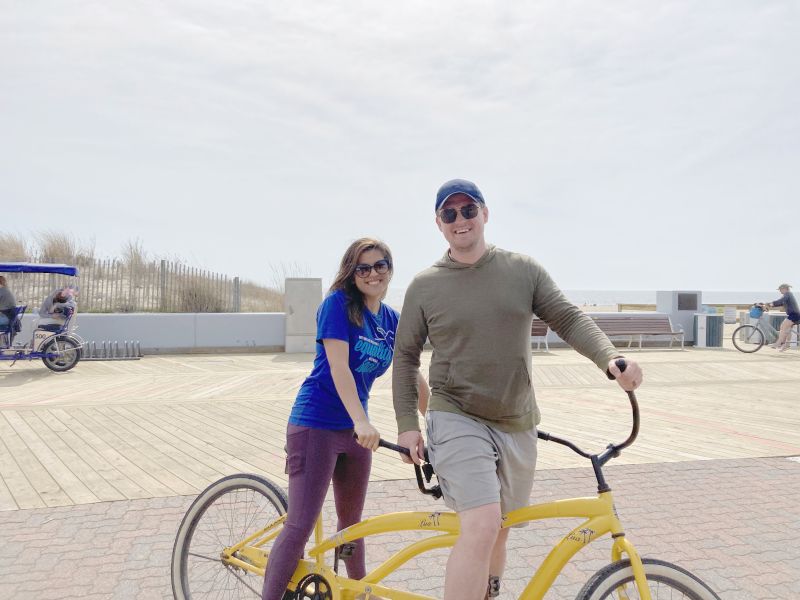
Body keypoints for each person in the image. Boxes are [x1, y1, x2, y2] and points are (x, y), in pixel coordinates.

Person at [392, 179, 643, 600]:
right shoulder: (425, 285)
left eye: (468, 210)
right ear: (438, 224)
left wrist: (609, 358)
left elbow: (567, 317)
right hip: (456, 413)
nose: (460, 220)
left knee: (501, 529)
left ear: (484, 214)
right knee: (482, 522)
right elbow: (405, 358)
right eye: (449, 214)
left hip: (517, 420)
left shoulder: (522, 270)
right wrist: (406, 424)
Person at [261, 238, 430, 600]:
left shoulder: (391, 320)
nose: (372, 274)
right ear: (352, 274)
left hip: (356, 431)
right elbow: (340, 369)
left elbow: (412, 375)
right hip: (316, 425)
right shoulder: (337, 306)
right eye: (363, 268)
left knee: (351, 526)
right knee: (300, 524)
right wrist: (361, 422)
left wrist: (437, 426)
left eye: (380, 265)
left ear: (390, 269)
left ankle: (357, 593)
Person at [765, 283, 799, 352]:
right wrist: (770, 304)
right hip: (795, 314)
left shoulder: (788, 294)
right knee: (788, 330)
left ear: (784, 289)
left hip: (794, 314)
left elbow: (781, 301)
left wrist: (772, 303)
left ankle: (778, 343)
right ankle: (786, 346)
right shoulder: (787, 295)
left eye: (780, 289)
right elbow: (781, 303)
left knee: (783, 326)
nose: (779, 291)